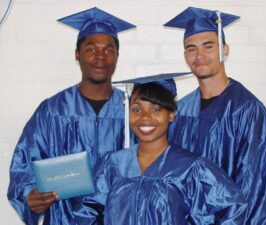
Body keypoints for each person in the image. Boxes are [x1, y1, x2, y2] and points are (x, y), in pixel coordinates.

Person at [7, 7, 135, 225]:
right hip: (63, 219)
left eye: (109, 50)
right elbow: (24, 163)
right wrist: (30, 195)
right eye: (91, 49)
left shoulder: (133, 110)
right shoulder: (53, 110)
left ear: (117, 56)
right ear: (77, 54)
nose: (100, 57)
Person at [74, 73, 247, 225]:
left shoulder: (191, 168)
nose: (145, 117)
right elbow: (86, 212)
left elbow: (233, 208)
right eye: (137, 109)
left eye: (156, 109)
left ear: (171, 114)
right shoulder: (112, 164)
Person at [164, 7, 266, 225]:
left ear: (224, 50)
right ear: (185, 55)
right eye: (191, 49)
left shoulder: (248, 110)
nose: (199, 56)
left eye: (208, 46)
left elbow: (256, 189)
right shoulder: (181, 112)